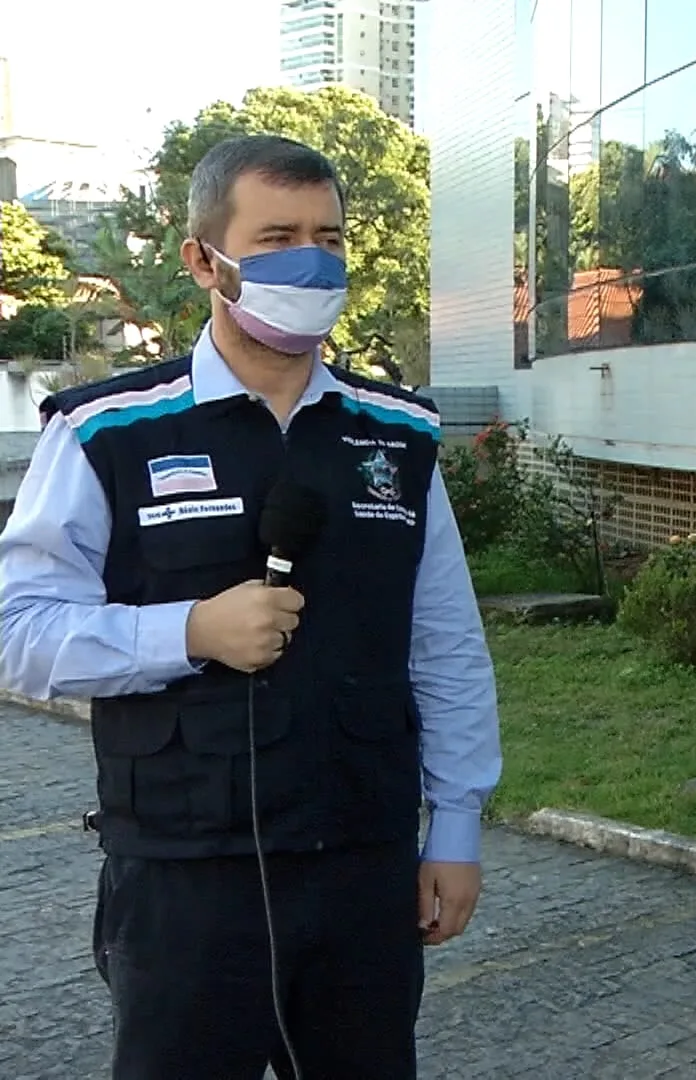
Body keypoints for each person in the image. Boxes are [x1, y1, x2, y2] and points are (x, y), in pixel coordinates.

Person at [0, 134, 503, 1080]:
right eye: (277, 238)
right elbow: (17, 636)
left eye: (330, 237)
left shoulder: (397, 435)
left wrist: (459, 828)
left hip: (363, 861)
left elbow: (446, 642)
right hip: (187, 875)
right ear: (204, 260)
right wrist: (187, 631)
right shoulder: (106, 432)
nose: (311, 261)